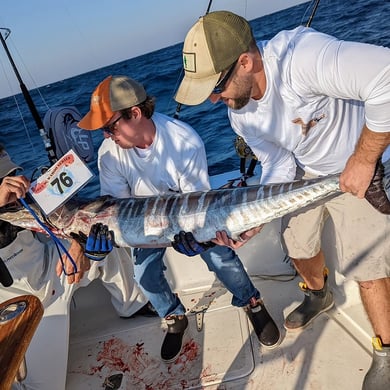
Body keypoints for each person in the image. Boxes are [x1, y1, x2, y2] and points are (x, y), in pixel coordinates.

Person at [175, 10, 390, 389]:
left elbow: (386, 76)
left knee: (366, 269)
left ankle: (387, 350)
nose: (212, 100)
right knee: (295, 243)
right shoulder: (239, 113)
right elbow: (277, 161)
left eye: (216, 87)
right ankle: (318, 295)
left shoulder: (301, 58)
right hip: (308, 174)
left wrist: (364, 160)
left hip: (358, 165)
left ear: (246, 61)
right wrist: (256, 216)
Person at [78, 74, 281, 363]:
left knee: (220, 255)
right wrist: (98, 241)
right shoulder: (109, 154)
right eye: (103, 131)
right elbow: (118, 208)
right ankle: (173, 316)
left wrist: (197, 239)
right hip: (144, 223)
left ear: (135, 113)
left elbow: (198, 204)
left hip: (190, 218)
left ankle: (251, 301)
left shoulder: (184, 140)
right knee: (143, 274)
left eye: (110, 128)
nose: (107, 136)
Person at [0, 145, 152, 390]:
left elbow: (70, 216)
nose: (10, 188)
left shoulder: (21, 198)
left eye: (11, 176)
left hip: (55, 269)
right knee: (47, 387)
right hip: (22, 309)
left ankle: (132, 303)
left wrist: (77, 244)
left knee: (104, 240)